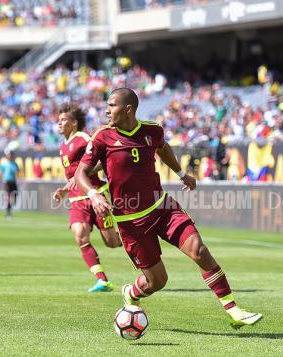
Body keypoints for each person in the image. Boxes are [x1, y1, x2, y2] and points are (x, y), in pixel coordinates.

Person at [75, 88, 262, 329]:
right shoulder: (102, 137)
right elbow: (81, 172)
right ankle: (131, 294)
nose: (107, 110)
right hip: (131, 221)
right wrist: (93, 195)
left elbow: (162, 148)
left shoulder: (153, 130)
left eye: (112, 105)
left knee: (199, 250)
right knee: (157, 281)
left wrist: (182, 174)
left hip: (162, 207)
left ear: (128, 109)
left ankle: (233, 309)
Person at [52, 103, 121, 293]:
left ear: (74, 123)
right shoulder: (63, 147)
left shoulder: (82, 138)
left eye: (64, 119)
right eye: (59, 119)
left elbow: (100, 158)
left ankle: (133, 236)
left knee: (112, 243)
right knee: (80, 237)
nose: (59, 122)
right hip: (77, 201)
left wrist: (87, 171)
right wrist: (64, 190)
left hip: (95, 195)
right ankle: (102, 280)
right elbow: (74, 177)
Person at [0, 150, 19, 219]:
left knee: (15, 195)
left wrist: (17, 181)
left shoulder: (15, 164)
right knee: (8, 197)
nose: (10, 156)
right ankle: (8, 212)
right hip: (7, 182)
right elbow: (1, 174)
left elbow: (17, 173)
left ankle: (10, 207)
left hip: (13, 182)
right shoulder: (4, 164)